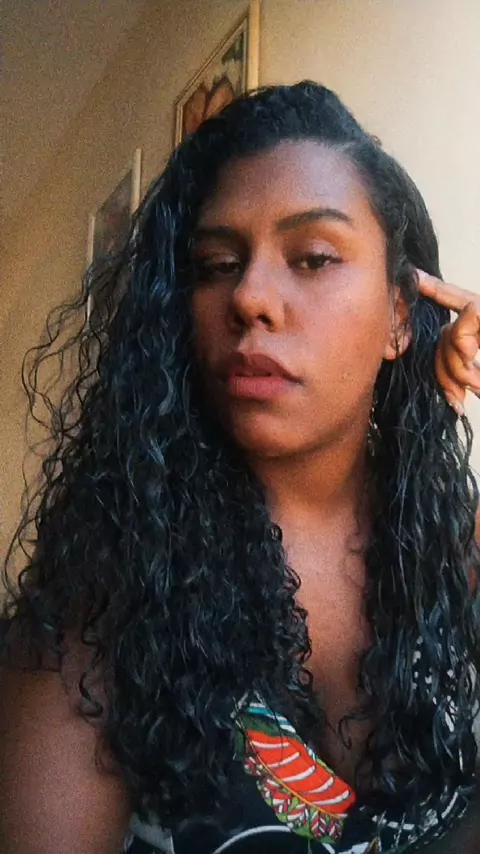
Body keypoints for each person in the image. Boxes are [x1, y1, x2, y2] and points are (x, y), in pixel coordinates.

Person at [1, 81, 479, 854]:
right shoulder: (108, 599)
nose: (250, 296)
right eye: (217, 264)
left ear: (400, 314)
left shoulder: (456, 550)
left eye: (313, 258)